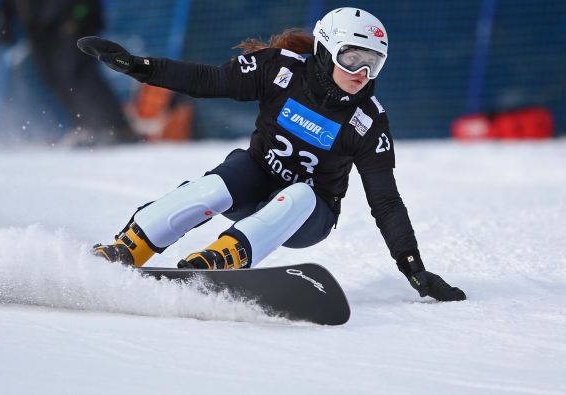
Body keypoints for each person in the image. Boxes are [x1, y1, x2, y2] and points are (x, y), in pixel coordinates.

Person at [78, 7, 466, 301]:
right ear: (327, 49)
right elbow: (208, 80)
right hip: (254, 185)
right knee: (216, 185)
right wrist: (140, 67)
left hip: (307, 216)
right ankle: (130, 246)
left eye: (373, 63)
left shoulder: (367, 121)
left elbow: (385, 200)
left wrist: (413, 268)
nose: (361, 72)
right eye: (352, 58)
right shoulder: (281, 69)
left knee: (300, 192)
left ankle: (221, 260)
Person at [0, 0, 138, 145]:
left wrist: (79, 16)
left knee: (79, 75)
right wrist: (5, 17)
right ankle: (90, 126)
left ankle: (115, 127)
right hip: (40, 33)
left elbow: (88, 5)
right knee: (59, 80)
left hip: (71, 25)